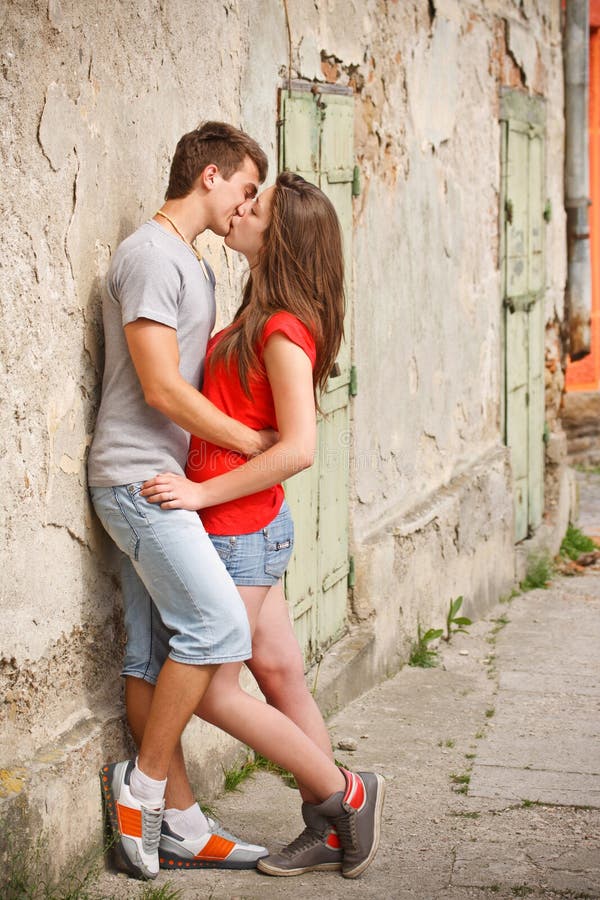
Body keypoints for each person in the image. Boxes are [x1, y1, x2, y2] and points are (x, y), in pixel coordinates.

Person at [140, 171, 386, 879]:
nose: (242, 209)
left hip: (240, 532)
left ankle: (348, 794)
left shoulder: (281, 329)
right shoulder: (263, 310)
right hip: (252, 529)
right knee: (279, 671)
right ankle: (333, 830)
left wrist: (198, 490)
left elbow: (298, 448)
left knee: (213, 690)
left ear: (282, 236)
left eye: (258, 206)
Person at [88, 122, 274, 880]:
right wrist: (253, 445)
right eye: (246, 188)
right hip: (136, 481)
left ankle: (185, 826)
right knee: (221, 624)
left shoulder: (192, 265)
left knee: (151, 655)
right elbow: (162, 386)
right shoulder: (148, 255)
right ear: (210, 176)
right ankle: (144, 787)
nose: (247, 204)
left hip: (161, 481)